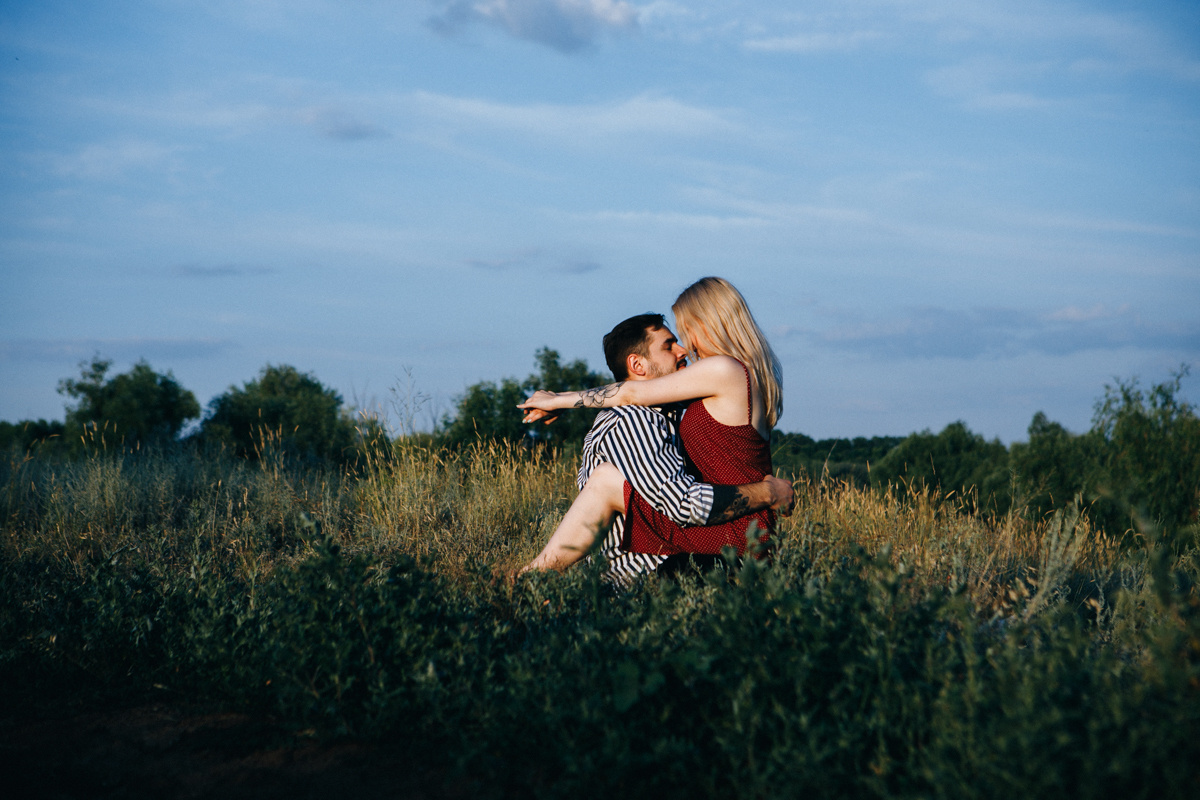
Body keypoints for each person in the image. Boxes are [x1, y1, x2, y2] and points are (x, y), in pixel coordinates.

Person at [518, 277, 786, 574]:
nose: (687, 347)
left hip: (733, 533)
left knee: (606, 481)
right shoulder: (735, 376)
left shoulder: (723, 369)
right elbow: (638, 392)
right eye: (674, 342)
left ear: (707, 323)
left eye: (686, 331)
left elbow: (633, 392)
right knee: (611, 484)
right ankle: (538, 576)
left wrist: (558, 400)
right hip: (737, 528)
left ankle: (534, 577)